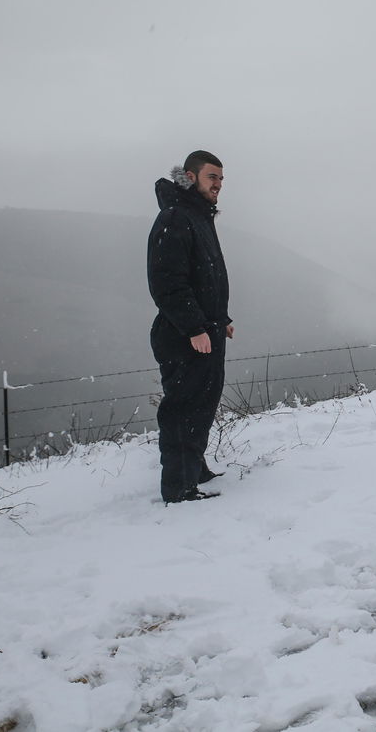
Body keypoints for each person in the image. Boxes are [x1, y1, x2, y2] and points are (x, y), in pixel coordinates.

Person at [147, 150, 233, 504]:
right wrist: (195, 327)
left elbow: (206, 277)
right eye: (212, 176)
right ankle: (178, 488)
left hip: (206, 331)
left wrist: (221, 319)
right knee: (183, 409)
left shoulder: (198, 216)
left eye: (221, 179)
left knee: (202, 405)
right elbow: (167, 282)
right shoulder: (175, 217)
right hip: (184, 336)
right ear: (190, 176)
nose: (219, 184)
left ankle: (195, 471)